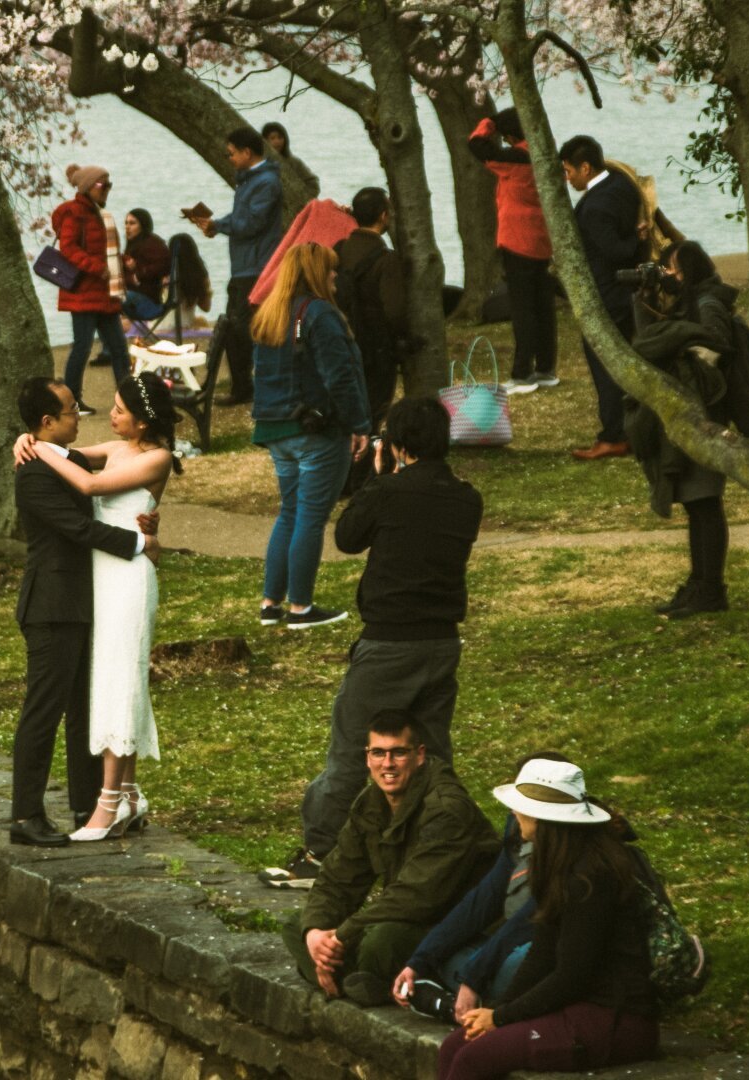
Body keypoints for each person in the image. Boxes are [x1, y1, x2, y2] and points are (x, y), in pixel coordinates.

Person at [260, 397, 481, 887]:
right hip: (441, 641)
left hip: (388, 643)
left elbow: (347, 537)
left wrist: (379, 477)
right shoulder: (468, 498)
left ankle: (318, 855)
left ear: (398, 445)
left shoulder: (389, 492)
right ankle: (443, 847)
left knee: (352, 750)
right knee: (430, 751)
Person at [14, 374, 180, 840]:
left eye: (118, 409)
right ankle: (32, 813)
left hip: (105, 587)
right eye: (72, 410)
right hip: (63, 597)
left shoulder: (149, 456)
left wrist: (37, 441)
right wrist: (30, 440)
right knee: (53, 707)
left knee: (105, 691)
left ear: (143, 421)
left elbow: (89, 483)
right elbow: (83, 489)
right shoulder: (44, 468)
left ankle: (105, 801)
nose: (89, 416)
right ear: (50, 420)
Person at [436, 758, 660, 1080]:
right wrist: (496, 1012)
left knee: (474, 1059)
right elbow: (542, 955)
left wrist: (501, 1018)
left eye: (520, 807)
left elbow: (571, 975)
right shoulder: (559, 865)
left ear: (543, 818)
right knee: (454, 1046)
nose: (514, 814)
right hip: (579, 1006)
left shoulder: (590, 877)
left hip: (615, 1018)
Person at [282, 711, 499, 1006]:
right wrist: (317, 935)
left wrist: (342, 936)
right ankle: (360, 982)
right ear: (367, 757)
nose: (388, 764)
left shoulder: (446, 808)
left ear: (419, 755)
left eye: (398, 753)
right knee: (298, 926)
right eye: (379, 753)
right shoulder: (372, 802)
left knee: (379, 942)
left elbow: (417, 897)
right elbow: (337, 878)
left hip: (450, 925)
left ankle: (357, 979)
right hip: (402, 916)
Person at [391, 751, 578, 1023]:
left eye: (521, 802)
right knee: (447, 952)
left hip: (547, 952)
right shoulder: (519, 829)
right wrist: (420, 960)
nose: (513, 809)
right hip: (515, 939)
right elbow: (483, 899)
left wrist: (474, 977)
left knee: (514, 969)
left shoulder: (573, 856)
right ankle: (466, 1003)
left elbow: (530, 919)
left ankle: (460, 1007)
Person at [249, 242, 372, 629]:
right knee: (311, 517)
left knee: (289, 512)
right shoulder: (319, 314)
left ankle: (272, 602)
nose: (336, 275)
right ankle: (300, 607)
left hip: (276, 429)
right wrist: (359, 424)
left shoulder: (270, 313)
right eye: (331, 270)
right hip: (316, 431)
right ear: (318, 274)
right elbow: (339, 377)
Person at [625, 241, 738, 618]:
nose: (667, 275)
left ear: (690, 269)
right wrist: (645, 300)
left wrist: (679, 343)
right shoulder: (689, 303)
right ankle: (700, 583)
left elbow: (716, 349)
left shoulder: (708, 304)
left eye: (671, 269)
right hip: (690, 413)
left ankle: (710, 589)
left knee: (704, 502)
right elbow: (647, 343)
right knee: (696, 504)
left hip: (705, 414)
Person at [186, 126, 285, 405]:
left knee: (241, 327)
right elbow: (244, 218)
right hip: (244, 265)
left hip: (256, 266)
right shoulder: (249, 181)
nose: (228, 158)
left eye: (231, 153)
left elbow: (252, 222)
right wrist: (218, 225)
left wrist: (219, 225)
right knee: (237, 326)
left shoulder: (265, 182)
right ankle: (245, 385)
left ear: (247, 152)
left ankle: (250, 386)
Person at [558, 135, 642, 461]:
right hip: (627, 293)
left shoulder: (594, 208)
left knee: (604, 366)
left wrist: (636, 238)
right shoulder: (622, 184)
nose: (568, 179)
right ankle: (628, 429)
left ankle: (613, 435)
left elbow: (617, 251)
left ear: (585, 167)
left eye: (569, 172)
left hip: (608, 295)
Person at [467, 109, 557, 394]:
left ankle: (522, 374)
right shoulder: (544, 155)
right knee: (543, 305)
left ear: (509, 135)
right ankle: (545, 368)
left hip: (518, 240)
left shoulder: (514, 159)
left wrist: (488, 123)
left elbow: (477, 146)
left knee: (523, 309)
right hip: (543, 240)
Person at [54, 164, 128, 415]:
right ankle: (72, 401)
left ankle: (127, 399)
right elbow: (69, 249)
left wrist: (121, 265)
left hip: (105, 293)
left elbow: (105, 250)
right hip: (83, 294)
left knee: (119, 348)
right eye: (102, 185)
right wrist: (97, 268)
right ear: (87, 187)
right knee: (82, 348)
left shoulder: (99, 213)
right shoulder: (74, 213)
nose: (106, 190)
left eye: (109, 185)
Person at [333, 187, 409, 422]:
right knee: (374, 412)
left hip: (340, 340)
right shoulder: (387, 260)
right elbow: (394, 312)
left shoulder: (338, 249)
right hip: (375, 349)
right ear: (383, 216)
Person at [153, 232, 213, 339]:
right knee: (202, 321)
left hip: (159, 327)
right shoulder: (199, 276)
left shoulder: (162, 273)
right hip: (185, 326)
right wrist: (207, 290)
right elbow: (206, 308)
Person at [121, 209, 171, 326]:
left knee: (113, 297)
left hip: (149, 302)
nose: (127, 227)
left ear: (143, 225)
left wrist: (137, 273)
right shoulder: (135, 244)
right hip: (136, 295)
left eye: (132, 223)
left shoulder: (153, 243)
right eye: (126, 223)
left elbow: (163, 265)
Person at [261, 120, 321, 205]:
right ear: (265, 140)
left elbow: (313, 184)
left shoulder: (294, 162)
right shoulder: (259, 164)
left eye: (280, 137)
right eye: (272, 138)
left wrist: (303, 200)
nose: (277, 141)